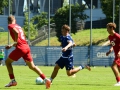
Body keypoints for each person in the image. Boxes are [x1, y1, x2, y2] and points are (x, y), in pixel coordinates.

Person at [5, 15, 51, 89]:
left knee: (7, 62)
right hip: (26, 47)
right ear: (15, 20)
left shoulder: (10, 25)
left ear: (8, 21)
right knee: (32, 66)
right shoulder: (19, 27)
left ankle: (13, 80)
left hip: (20, 48)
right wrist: (15, 43)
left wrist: (15, 43)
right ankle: (46, 79)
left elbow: (16, 33)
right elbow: (23, 36)